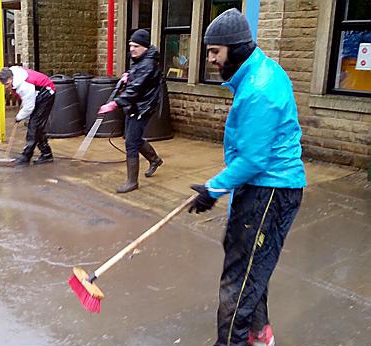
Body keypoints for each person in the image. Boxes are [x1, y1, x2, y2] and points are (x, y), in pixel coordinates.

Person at [186, 9, 306, 346]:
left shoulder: (259, 88)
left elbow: (254, 158)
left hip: (271, 189)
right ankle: (259, 331)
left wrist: (213, 188)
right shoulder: (257, 72)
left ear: (235, 49)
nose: (210, 59)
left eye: (215, 52)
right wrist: (219, 186)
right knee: (250, 261)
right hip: (263, 186)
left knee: (239, 278)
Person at [98, 29, 164, 193]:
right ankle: (155, 160)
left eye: (136, 46)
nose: (132, 49)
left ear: (145, 47)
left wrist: (115, 104)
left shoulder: (148, 64)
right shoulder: (140, 59)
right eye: (130, 45)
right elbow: (136, 78)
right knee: (131, 137)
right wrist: (128, 75)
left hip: (142, 107)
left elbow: (135, 89)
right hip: (134, 105)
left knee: (131, 144)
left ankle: (132, 182)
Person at [0, 66, 56, 166]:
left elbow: (29, 107)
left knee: (34, 125)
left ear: (11, 78)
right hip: (37, 93)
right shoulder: (13, 73)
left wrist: (19, 117)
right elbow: (27, 99)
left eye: (7, 84)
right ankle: (46, 154)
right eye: (4, 85)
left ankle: (26, 156)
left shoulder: (24, 86)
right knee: (37, 126)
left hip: (46, 93)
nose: (6, 87)